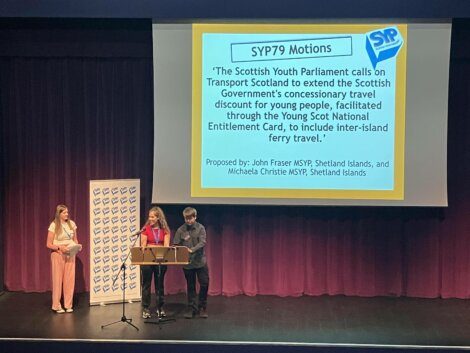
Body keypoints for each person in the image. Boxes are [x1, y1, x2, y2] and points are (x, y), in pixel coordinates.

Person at [173, 207, 209, 319]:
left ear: (195, 217)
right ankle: (192, 308)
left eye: (190, 218)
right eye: (186, 219)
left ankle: (202, 307)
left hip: (200, 262)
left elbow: (203, 242)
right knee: (191, 286)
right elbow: (175, 244)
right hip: (187, 264)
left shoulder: (200, 228)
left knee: (204, 283)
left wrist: (192, 249)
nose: (188, 221)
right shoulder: (180, 230)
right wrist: (180, 250)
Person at [46, 205, 80, 313]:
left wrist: (77, 246)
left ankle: (68, 305)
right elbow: (48, 244)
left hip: (70, 253)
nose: (67, 214)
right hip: (58, 254)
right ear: (59, 213)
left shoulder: (72, 224)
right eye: (64, 212)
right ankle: (56, 305)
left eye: (67, 212)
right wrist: (60, 247)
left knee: (69, 280)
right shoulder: (54, 225)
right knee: (57, 280)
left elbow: (75, 239)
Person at [140, 206, 170, 319]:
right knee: (146, 284)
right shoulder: (145, 229)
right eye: (149, 216)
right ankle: (146, 308)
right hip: (147, 260)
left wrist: (152, 245)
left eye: (152, 217)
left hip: (161, 261)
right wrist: (156, 246)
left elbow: (166, 247)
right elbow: (143, 246)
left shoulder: (165, 230)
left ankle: (160, 307)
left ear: (158, 218)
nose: (150, 219)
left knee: (159, 285)